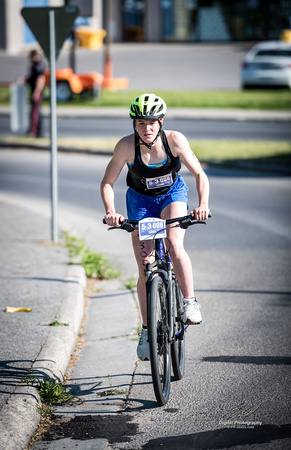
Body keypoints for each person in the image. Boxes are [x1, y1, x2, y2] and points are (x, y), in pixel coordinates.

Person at [101, 93, 210, 361]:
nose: (146, 128)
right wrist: (111, 212)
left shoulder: (174, 140)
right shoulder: (126, 147)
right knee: (145, 266)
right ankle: (147, 330)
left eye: (151, 122)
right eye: (140, 123)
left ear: (160, 122)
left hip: (172, 195)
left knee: (174, 244)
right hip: (140, 202)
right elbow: (107, 182)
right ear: (134, 125)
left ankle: (189, 302)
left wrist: (203, 204)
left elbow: (199, 174)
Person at [26, 49, 46, 137]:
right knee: (34, 111)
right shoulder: (34, 65)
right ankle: (34, 130)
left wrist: (36, 92)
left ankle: (35, 131)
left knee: (35, 112)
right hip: (33, 90)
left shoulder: (39, 66)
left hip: (37, 92)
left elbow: (41, 80)